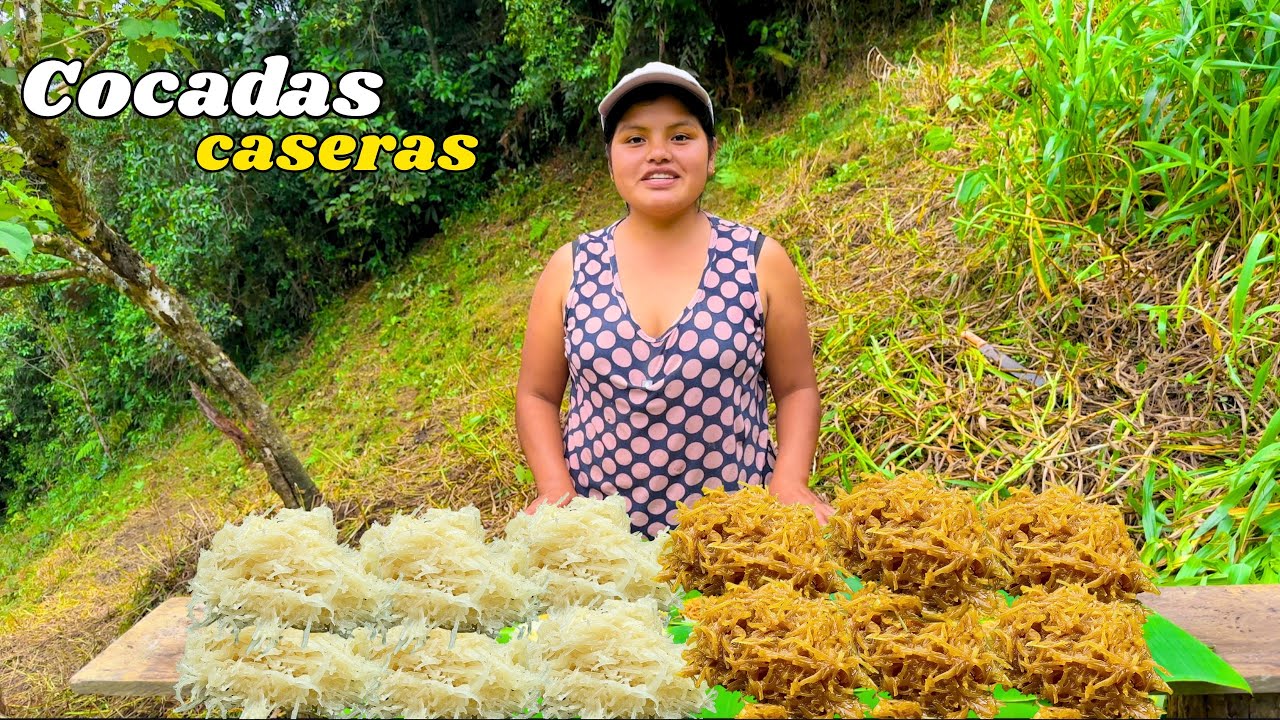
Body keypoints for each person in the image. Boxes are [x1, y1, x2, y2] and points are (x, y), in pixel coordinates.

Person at [515, 61, 831, 538]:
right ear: (611, 158)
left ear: (711, 152)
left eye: (681, 137)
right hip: (603, 549)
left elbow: (796, 390)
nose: (658, 153)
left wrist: (789, 480)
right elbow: (537, 395)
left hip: (739, 538)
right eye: (635, 139)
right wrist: (555, 488)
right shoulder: (570, 267)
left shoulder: (759, 260)